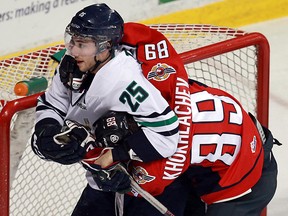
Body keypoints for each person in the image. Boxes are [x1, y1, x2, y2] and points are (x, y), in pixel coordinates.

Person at [31, 3, 192, 216]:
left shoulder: (125, 82)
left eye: (82, 44)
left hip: (148, 184)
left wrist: (118, 154)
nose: (73, 50)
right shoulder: (72, 65)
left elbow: (167, 134)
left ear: (104, 46)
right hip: (101, 178)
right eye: (73, 41)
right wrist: (46, 130)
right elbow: (53, 103)